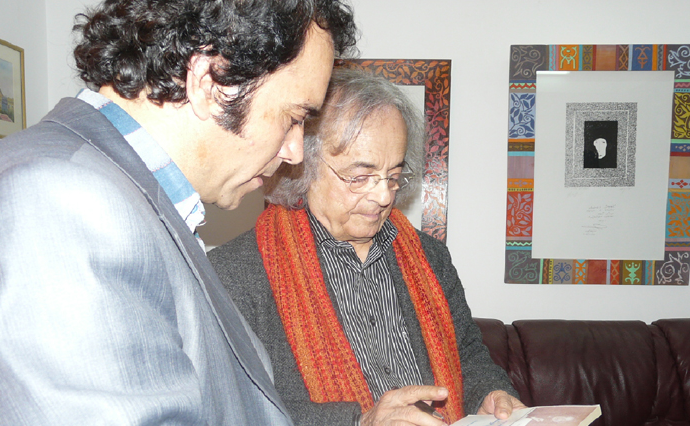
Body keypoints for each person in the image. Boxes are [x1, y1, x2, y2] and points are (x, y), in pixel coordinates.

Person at [0, 0, 356, 424]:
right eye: (294, 117)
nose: (294, 151)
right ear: (209, 81)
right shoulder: (57, 203)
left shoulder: (128, 198)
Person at [209, 68, 525, 426]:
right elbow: (236, 406)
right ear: (305, 166)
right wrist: (359, 423)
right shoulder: (236, 274)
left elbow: (468, 354)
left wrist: (490, 393)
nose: (383, 196)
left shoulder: (431, 258)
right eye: (360, 177)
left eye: (394, 176)